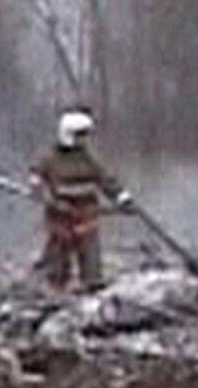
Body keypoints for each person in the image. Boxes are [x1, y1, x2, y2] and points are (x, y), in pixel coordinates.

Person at [31, 109, 128, 292]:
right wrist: (41, 191)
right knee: (57, 264)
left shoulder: (89, 159)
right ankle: (55, 289)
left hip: (86, 217)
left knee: (91, 261)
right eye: (80, 135)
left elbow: (106, 180)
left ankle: (92, 290)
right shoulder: (51, 158)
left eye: (84, 135)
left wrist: (122, 197)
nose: (84, 140)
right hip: (60, 218)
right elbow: (37, 178)